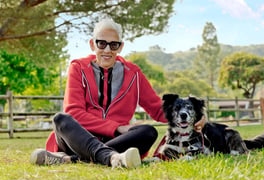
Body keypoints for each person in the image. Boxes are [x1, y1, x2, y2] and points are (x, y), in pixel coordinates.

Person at [30, 17, 204, 169]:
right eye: (101, 43)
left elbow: (158, 109)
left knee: (148, 132)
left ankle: (73, 160)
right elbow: (74, 113)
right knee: (61, 119)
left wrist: (195, 116)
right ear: (93, 44)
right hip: (76, 141)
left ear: (120, 47)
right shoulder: (78, 68)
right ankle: (110, 157)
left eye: (113, 45)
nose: (107, 50)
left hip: (117, 142)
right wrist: (116, 127)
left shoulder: (133, 73)